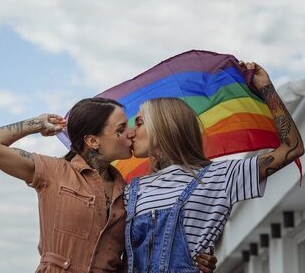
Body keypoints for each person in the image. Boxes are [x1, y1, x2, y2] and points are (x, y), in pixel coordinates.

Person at [0, 97, 217, 272]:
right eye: (121, 129)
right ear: (93, 141)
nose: (131, 134)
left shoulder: (133, 193)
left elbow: (145, 252)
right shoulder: (53, 171)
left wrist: (191, 259)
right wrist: (37, 124)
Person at [124, 61, 304, 272]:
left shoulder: (220, 177)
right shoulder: (131, 190)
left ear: (164, 125)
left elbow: (292, 147)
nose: (130, 132)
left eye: (138, 122)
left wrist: (266, 86)